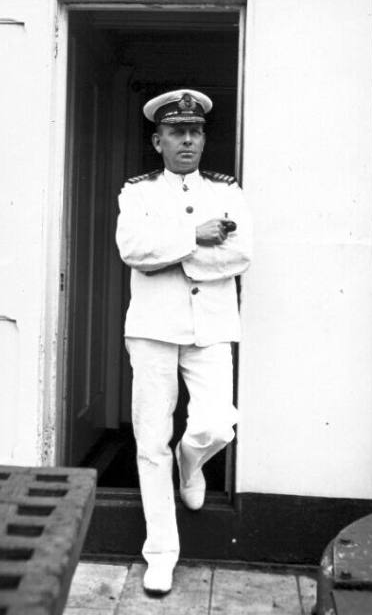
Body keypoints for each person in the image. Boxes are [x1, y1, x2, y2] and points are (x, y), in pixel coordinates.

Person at [115, 88, 252, 596]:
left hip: (212, 326)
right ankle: (161, 554)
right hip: (152, 328)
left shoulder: (227, 190)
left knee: (217, 423)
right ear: (158, 140)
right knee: (151, 440)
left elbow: (240, 256)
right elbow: (133, 249)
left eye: (195, 131)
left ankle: (190, 461)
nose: (188, 140)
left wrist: (171, 251)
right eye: (177, 132)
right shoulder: (138, 192)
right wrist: (196, 235)